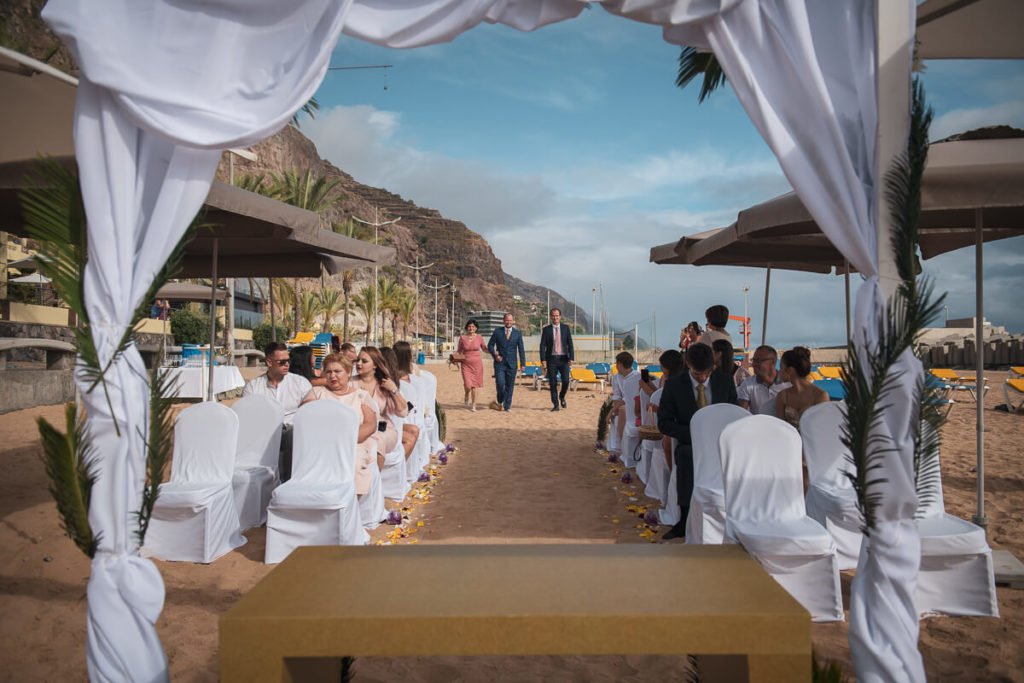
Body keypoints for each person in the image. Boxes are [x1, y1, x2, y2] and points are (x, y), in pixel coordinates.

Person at [657, 343, 739, 540]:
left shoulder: (725, 381)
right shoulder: (675, 384)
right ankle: (684, 519)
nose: (702, 377)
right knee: (685, 457)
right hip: (690, 441)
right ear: (687, 364)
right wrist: (695, 433)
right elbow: (665, 423)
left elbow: (734, 413)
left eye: (707, 372)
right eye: (697, 373)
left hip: (721, 441)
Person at [302, 353, 378, 496]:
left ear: (348, 373)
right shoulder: (316, 393)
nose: (332, 376)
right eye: (329, 372)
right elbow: (305, 417)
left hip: (353, 443)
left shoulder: (360, 396)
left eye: (337, 371)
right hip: (321, 444)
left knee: (354, 463)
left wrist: (347, 438)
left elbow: (370, 424)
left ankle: (351, 504)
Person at [242, 341, 312, 482]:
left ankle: (288, 481)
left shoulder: (300, 383)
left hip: (292, 431)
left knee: (292, 434)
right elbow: (247, 415)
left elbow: (310, 409)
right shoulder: (253, 387)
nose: (287, 364)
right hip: (264, 432)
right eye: (282, 362)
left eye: (288, 361)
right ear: (269, 362)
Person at [355, 346, 411, 463]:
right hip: (357, 427)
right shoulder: (350, 382)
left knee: (377, 440)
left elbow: (403, 412)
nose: (359, 364)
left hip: (383, 429)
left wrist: (393, 390)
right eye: (357, 360)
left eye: (364, 361)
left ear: (375, 365)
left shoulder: (384, 384)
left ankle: (375, 479)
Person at [775, 346, 829, 430]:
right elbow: (780, 429)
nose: (779, 372)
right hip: (790, 442)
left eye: (781, 368)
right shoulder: (782, 396)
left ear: (789, 370)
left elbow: (823, 428)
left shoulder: (820, 396)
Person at [486, 312, 525, 412]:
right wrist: (495, 355)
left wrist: (523, 363)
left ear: (513, 321)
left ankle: (507, 406)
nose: (508, 322)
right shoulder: (497, 332)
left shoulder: (518, 333)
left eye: (510, 320)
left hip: (512, 364)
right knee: (500, 383)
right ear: (503, 321)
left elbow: (521, 349)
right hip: (499, 363)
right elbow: (490, 345)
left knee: (510, 385)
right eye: (507, 320)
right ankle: (500, 399)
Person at [737, 345, 790, 416]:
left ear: (773, 362)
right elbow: (741, 414)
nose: (754, 364)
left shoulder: (788, 385)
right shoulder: (747, 384)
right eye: (754, 360)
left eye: (758, 361)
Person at [539, 308, 574, 411]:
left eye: (557, 315)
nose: (555, 317)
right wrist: (543, 360)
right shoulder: (546, 330)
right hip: (551, 360)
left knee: (566, 381)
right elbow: (542, 345)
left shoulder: (565, 328)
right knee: (553, 383)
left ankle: (562, 396)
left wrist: (571, 357)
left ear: (560, 317)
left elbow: (570, 343)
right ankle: (555, 405)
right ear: (551, 317)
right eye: (553, 316)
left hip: (564, 359)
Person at [456, 319, 486, 411]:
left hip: (477, 364)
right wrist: (455, 359)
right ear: (466, 328)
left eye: (473, 326)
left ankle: (474, 405)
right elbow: (459, 351)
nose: (471, 328)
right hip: (465, 364)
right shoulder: (462, 338)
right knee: (468, 384)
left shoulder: (479, 337)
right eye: (469, 326)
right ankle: (466, 394)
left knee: (475, 385)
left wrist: (494, 352)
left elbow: (484, 348)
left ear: (476, 328)